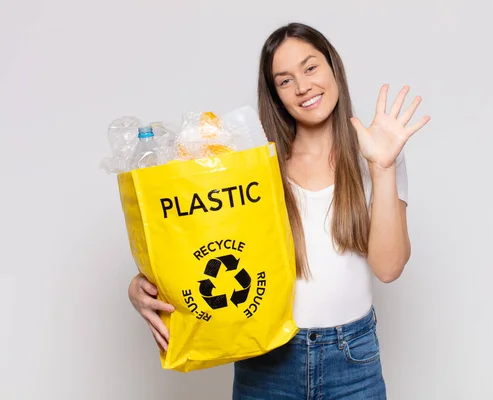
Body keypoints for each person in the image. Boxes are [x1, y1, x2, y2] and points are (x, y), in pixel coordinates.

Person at [128, 22, 430, 399]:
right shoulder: (253, 165)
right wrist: (144, 284)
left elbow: (388, 268)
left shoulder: (375, 149)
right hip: (268, 360)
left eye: (310, 67)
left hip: (352, 360)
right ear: (275, 95)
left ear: (333, 68)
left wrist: (382, 168)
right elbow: (203, 242)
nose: (303, 86)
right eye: (285, 80)